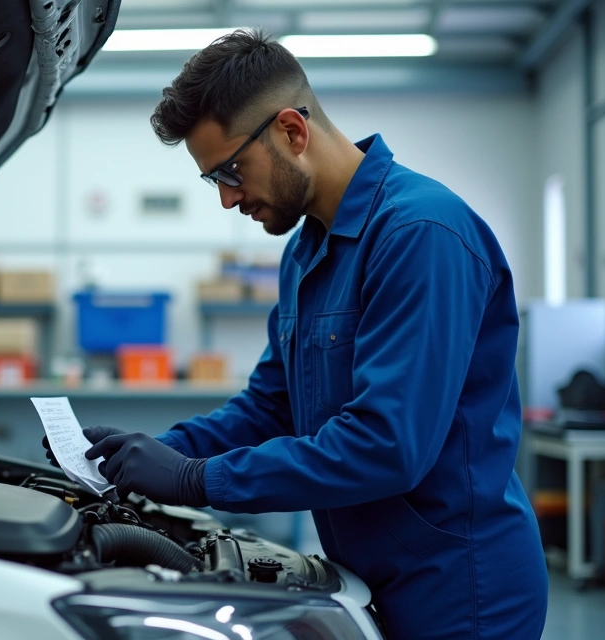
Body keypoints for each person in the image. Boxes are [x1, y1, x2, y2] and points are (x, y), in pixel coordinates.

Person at [44, 28, 548, 639]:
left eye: (231, 170)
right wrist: (149, 453)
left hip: (459, 589)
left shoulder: (421, 235)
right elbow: (271, 406)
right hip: (369, 573)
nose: (228, 199)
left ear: (291, 131)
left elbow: (387, 445)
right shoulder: (307, 250)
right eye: (214, 180)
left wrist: (195, 479)